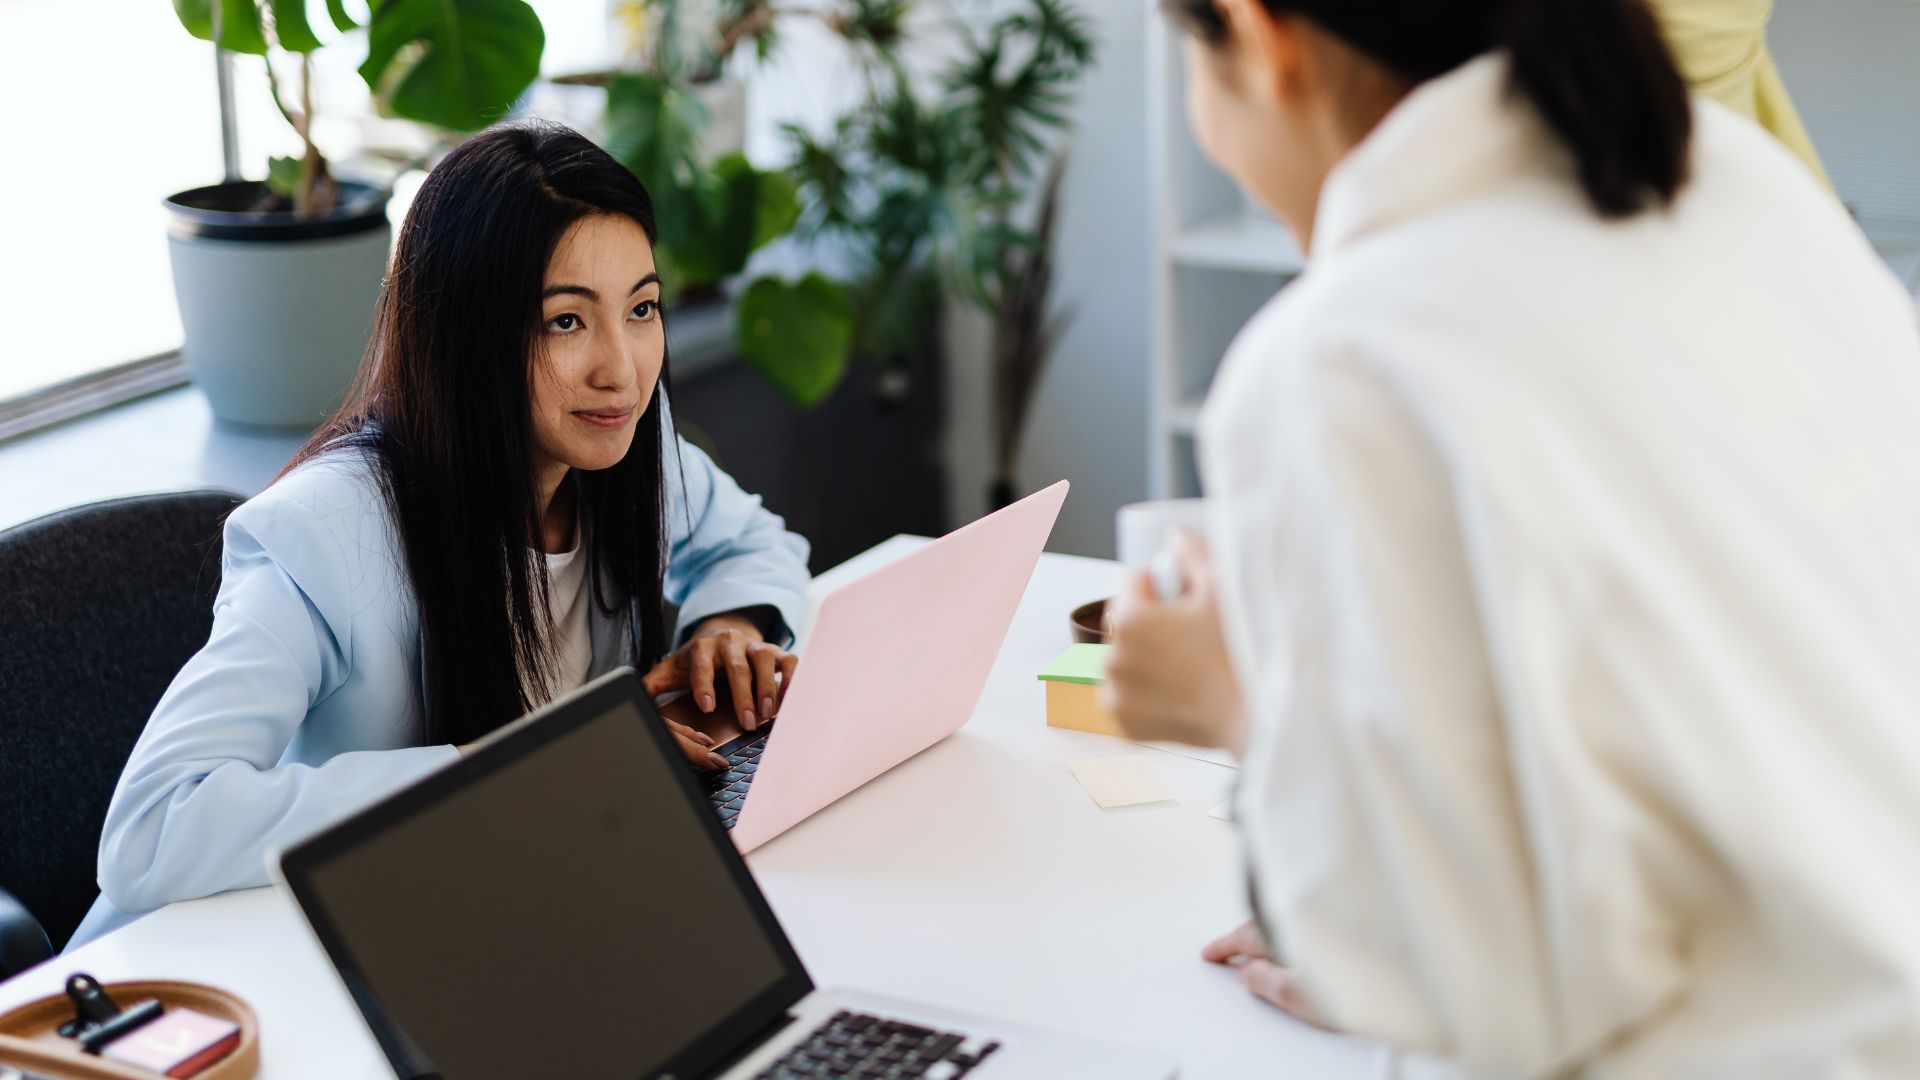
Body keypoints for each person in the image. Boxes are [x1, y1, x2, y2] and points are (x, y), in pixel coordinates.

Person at [1104, 0, 1920, 1074]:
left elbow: (1476, 990)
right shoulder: (1740, 180)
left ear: (1262, 37)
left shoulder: (1343, 355)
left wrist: (1240, 702)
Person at [72, 122, 813, 947]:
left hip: (485, 923)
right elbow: (153, 828)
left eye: (641, 309)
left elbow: (753, 542)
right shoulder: (326, 535)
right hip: (215, 983)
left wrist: (732, 627)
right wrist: (517, 774)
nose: (622, 367)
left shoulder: (616, 443)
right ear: (464, 336)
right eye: (566, 322)